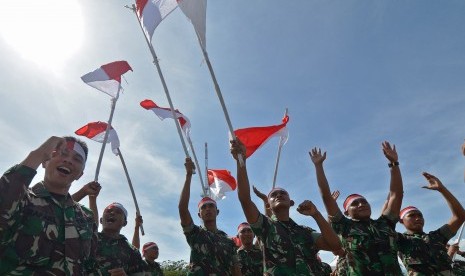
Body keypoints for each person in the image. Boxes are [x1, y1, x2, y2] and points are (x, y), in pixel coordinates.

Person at [230, 140, 342, 275]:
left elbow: (335, 245)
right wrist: (241, 162)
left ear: (291, 203)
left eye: (283, 193)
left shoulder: (305, 232)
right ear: (269, 206)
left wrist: (316, 214)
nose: (278, 195)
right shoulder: (265, 227)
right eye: (273, 195)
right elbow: (245, 200)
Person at [0, 136, 100, 274]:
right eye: (62, 153)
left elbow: (91, 266)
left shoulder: (86, 217)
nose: (68, 160)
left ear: (80, 174)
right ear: (45, 161)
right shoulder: (21, 199)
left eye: (77, 159)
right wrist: (38, 153)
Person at [309, 142, 404, 275]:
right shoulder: (344, 226)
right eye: (355, 204)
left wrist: (394, 164)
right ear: (346, 212)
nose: (361, 204)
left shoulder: (385, 223)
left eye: (364, 201)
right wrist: (318, 166)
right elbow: (326, 196)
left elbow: (396, 194)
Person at [178, 157, 241, 275]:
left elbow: (236, 270)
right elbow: (182, 209)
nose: (207, 209)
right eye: (203, 207)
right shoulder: (195, 234)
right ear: (199, 215)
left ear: (217, 212)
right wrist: (188, 176)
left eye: (211, 206)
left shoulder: (228, 241)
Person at [397, 172, 465, 275]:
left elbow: (460, 217)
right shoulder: (400, 240)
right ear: (401, 221)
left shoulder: (437, 237)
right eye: (411, 216)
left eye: (420, 215)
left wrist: (442, 189)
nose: (417, 218)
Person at [94, 202, 148, 275]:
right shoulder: (88, 240)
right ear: (101, 220)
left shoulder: (132, 251)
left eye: (118, 212)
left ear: (124, 223)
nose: (112, 213)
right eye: (108, 211)